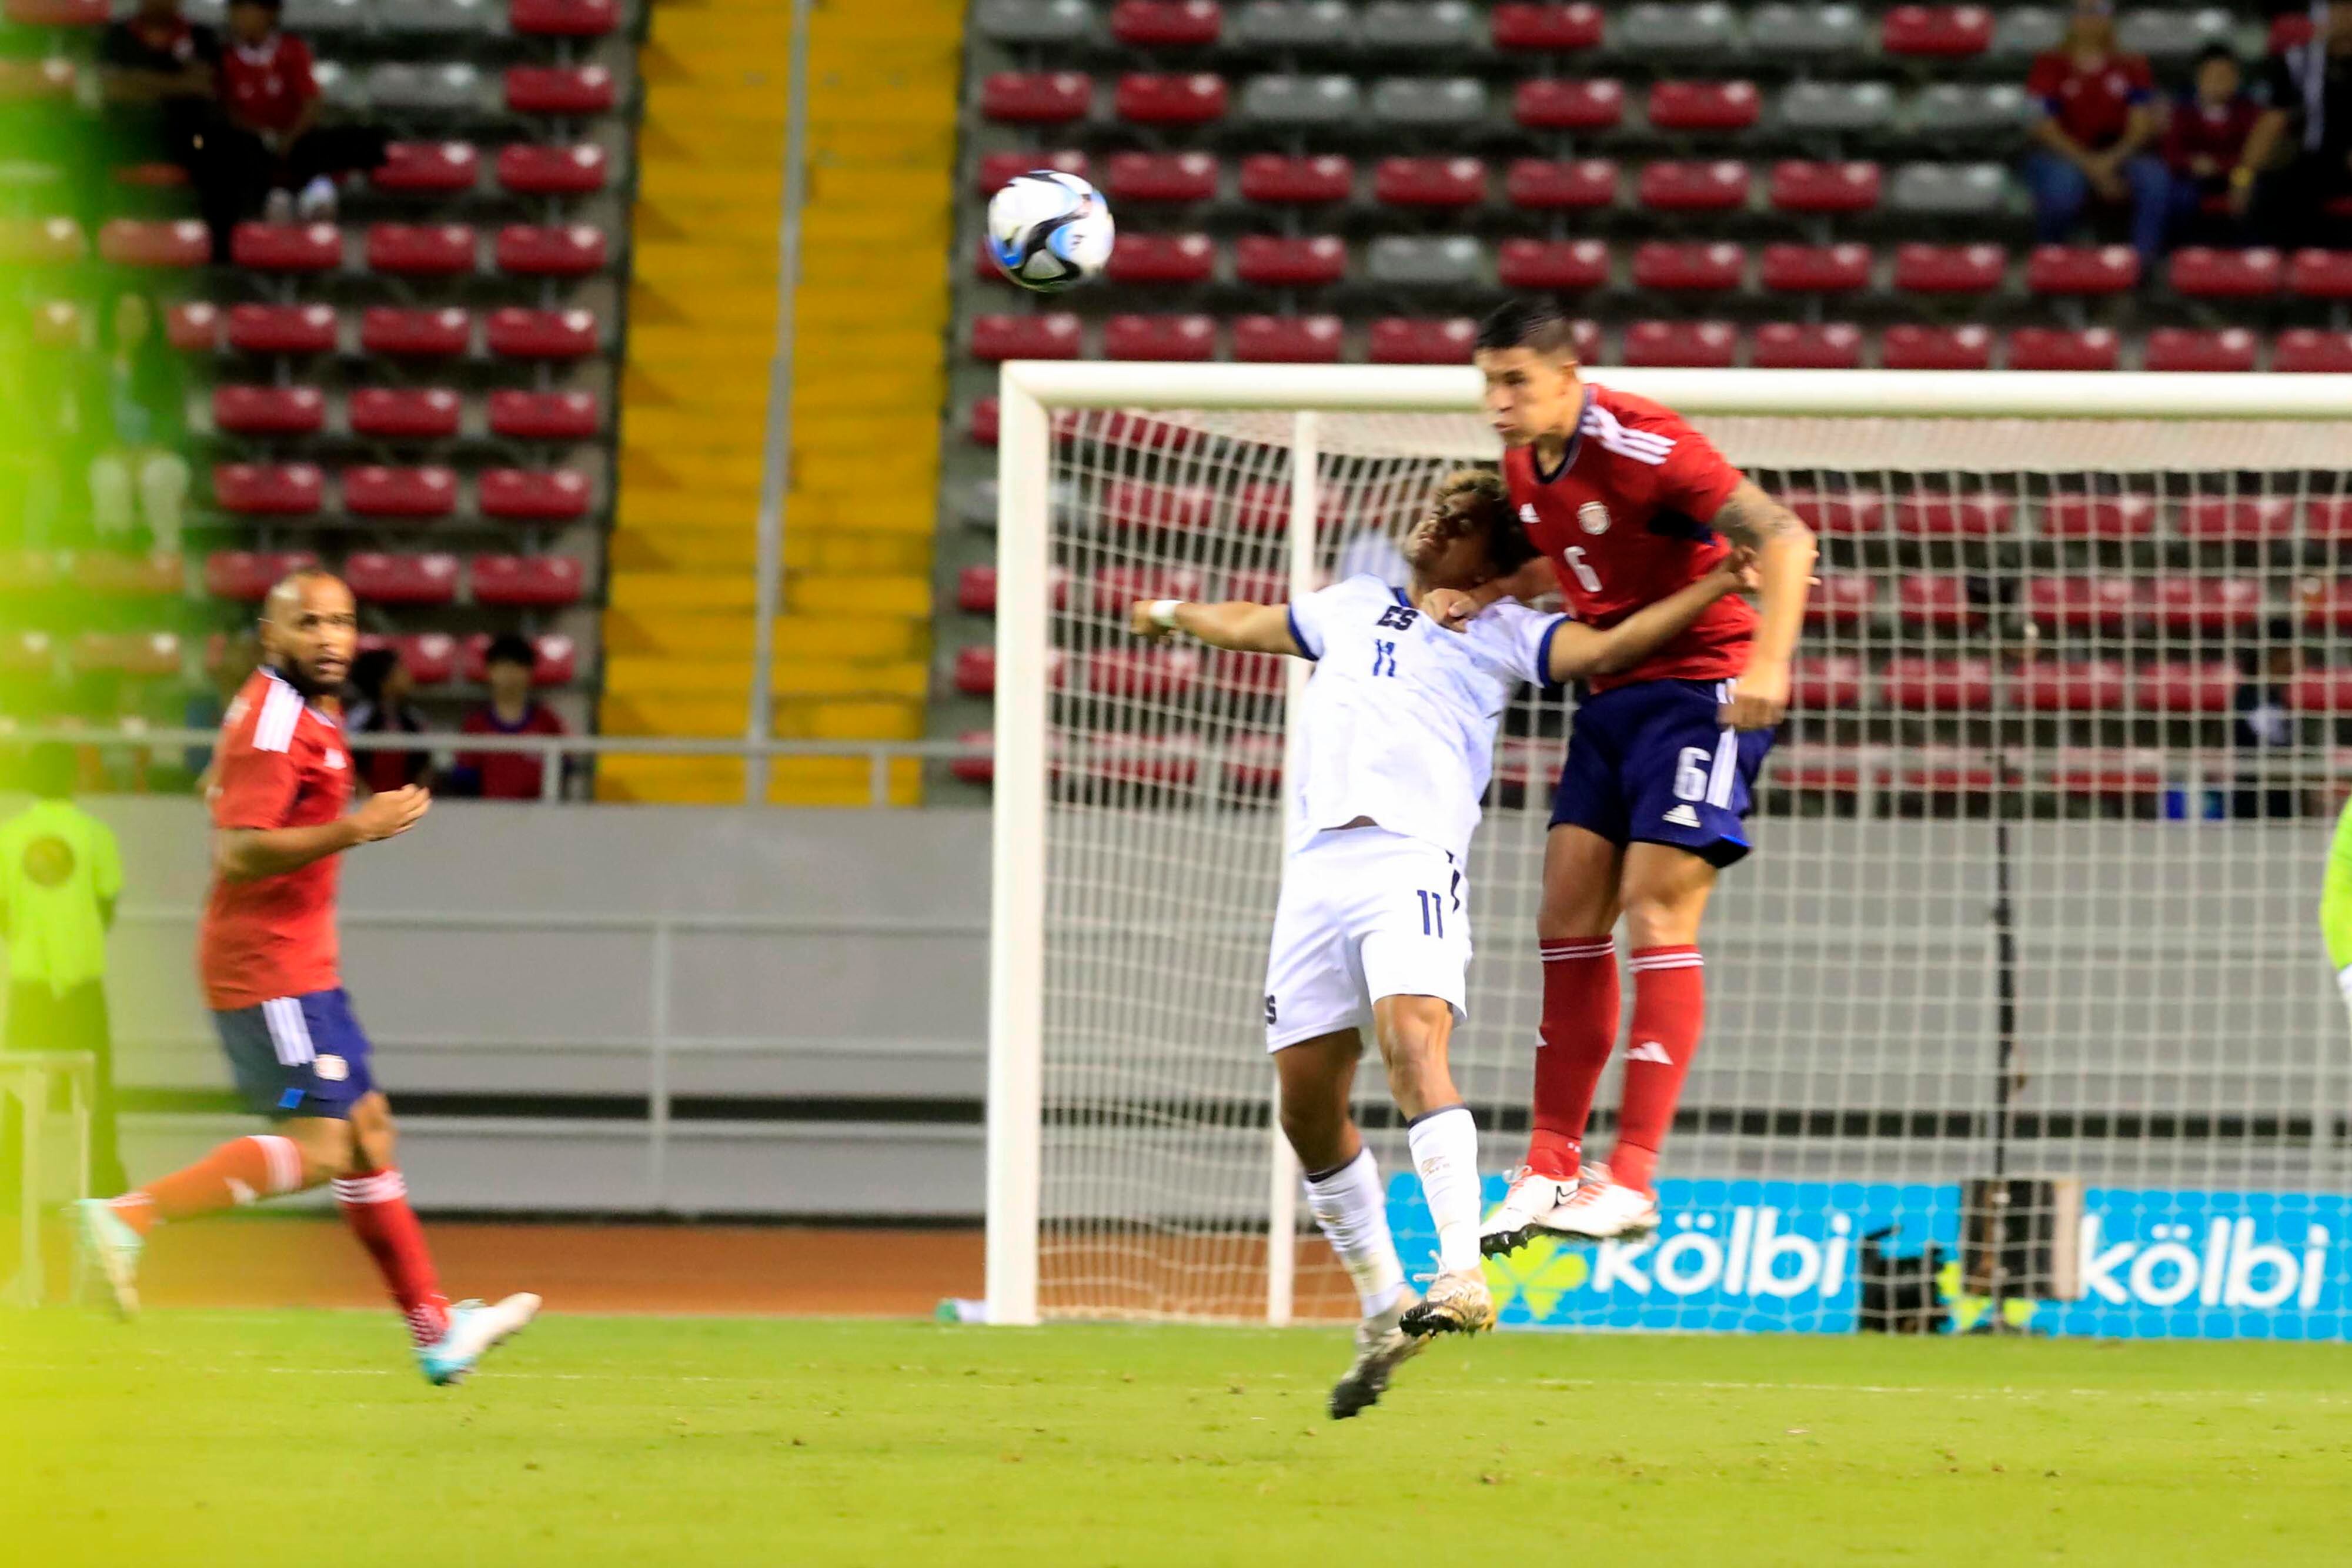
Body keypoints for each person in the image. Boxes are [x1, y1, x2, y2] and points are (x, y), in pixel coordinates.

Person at [1130, 472, 1759, 1416]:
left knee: (1412, 1046)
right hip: (1316, 869)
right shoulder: (1351, 602)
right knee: (1305, 1108)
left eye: (1458, 519)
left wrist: (1714, 584)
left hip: (1413, 859)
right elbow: (1249, 621)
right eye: (1434, 509)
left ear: (1492, 557)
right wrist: (1167, 612)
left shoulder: (1503, 631)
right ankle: (1384, 1304)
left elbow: (1609, 645)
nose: (1433, 522)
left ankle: (1461, 1270)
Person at [75, 570, 538, 1383]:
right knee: (327, 1146)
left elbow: (235, 791)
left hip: (302, 962)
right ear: (271, 634)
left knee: (369, 1132)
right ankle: (129, 1216)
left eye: (341, 622)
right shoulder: (277, 718)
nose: (329, 638)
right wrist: (355, 826)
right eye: (308, 623)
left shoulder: (301, 708)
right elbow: (238, 852)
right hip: (267, 965)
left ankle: (436, 1333)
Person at [1424, 299, 1816, 1252]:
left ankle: (1632, 1178)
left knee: (1656, 906)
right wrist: (1483, 592)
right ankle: (1549, 1163)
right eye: (1488, 383)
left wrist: (1769, 665)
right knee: (1564, 912)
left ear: (1568, 376)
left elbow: (1785, 536)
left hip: (1703, 689)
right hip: (1612, 698)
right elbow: (1570, 563)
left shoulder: (1644, 442)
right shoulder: (1526, 465)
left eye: (1515, 381)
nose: (1498, 402)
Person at [0, 744, 129, 1202]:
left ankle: (9, 1188)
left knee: (18, 1093)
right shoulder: (95, 834)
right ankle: (103, 1185)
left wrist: (30, 941)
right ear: (75, 777)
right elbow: (107, 904)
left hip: (30, 983)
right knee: (95, 1092)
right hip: (83, 984)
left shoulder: (9, 835)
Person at [2022, 0, 2170, 266]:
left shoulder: (2132, 63)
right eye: (2083, 10)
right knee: (2063, 188)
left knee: (2155, 180)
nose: (2091, 17)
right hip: (2062, 154)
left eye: (2099, 10)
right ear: (2072, 17)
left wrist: (2109, 162)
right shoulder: (2049, 64)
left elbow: (2140, 126)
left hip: (2118, 152)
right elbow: (2045, 128)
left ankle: (2142, 265)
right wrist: (2093, 167)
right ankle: (2050, 261)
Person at [217, 0, 386, 223]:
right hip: (254, 144)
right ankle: (273, 197)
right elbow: (227, 110)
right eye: (234, 11)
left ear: (269, 15)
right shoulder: (224, 57)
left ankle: (316, 191)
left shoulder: (293, 50)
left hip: (296, 139)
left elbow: (311, 103)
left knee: (346, 140)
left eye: (244, 10)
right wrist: (263, 135)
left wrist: (288, 138)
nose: (237, 18)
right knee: (229, 147)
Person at [98, 0, 235, 259]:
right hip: (128, 137)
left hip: (188, 138)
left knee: (225, 148)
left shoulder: (201, 36)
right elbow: (112, 88)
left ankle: (220, 254)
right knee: (84, 142)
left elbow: (204, 85)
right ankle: (90, 246)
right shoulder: (117, 35)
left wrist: (137, 81)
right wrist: (180, 84)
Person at [84, 293, 190, 556]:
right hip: (111, 454)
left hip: (159, 454)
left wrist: (148, 453)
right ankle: (114, 552)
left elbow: (174, 423)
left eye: (139, 316)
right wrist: (117, 452)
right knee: (111, 479)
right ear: (112, 320)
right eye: (124, 315)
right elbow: (91, 423)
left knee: (157, 477)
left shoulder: (168, 367)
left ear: (149, 322)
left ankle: (165, 554)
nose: (131, 322)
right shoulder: (93, 369)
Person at [2249, 1, 2352, 249]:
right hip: (2316, 160)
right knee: (2275, 189)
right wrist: (2244, 174)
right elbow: (2274, 118)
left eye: (2348, 8)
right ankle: (2279, 264)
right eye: (2335, 7)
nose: (2342, 15)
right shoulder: (2300, 60)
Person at [2164, 45, 2265, 245]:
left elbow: (2255, 154)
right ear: (2198, 78)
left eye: (2225, 76)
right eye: (2212, 76)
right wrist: (2191, 163)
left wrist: (2221, 166)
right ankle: (2183, 251)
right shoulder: (2182, 112)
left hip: (2238, 175)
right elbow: (2171, 153)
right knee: (2178, 196)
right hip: (2191, 179)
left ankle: (2254, 254)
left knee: (2255, 192)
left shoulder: (2250, 113)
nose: (2218, 82)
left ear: (2237, 79)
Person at [453, 635, 566, 800]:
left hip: (539, 813)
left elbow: (563, 771)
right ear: (490, 671)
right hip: (486, 812)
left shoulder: (547, 723)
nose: (510, 674)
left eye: (518, 666)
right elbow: (465, 780)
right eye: (503, 666)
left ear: (530, 672)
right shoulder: (475, 725)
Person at [346, 646, 432, 795]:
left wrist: (415, 797)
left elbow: (424, 766)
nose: (408, 676)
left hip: (406, 800)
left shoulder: (414, 719)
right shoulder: (359, 718)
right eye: (401, 671)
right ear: (384, 680)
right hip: (367, 801)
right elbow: (350, 766)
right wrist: (367, 799)